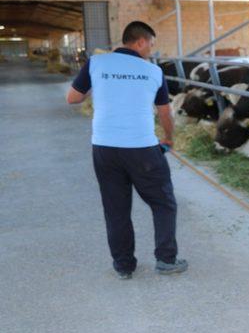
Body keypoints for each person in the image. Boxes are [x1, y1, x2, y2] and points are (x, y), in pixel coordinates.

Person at [66, 21, 187, 279]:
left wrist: (97, 90)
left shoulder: (97, 63)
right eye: (151, 45)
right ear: (140, 42)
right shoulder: (153, 72)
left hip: (105, 148)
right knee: (163, 203)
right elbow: (165, 113)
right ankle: (166, 259)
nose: (151, 51)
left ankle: (123, 266)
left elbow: (73, 98)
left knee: (116, 209)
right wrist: (168, 138)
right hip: (142, 148)